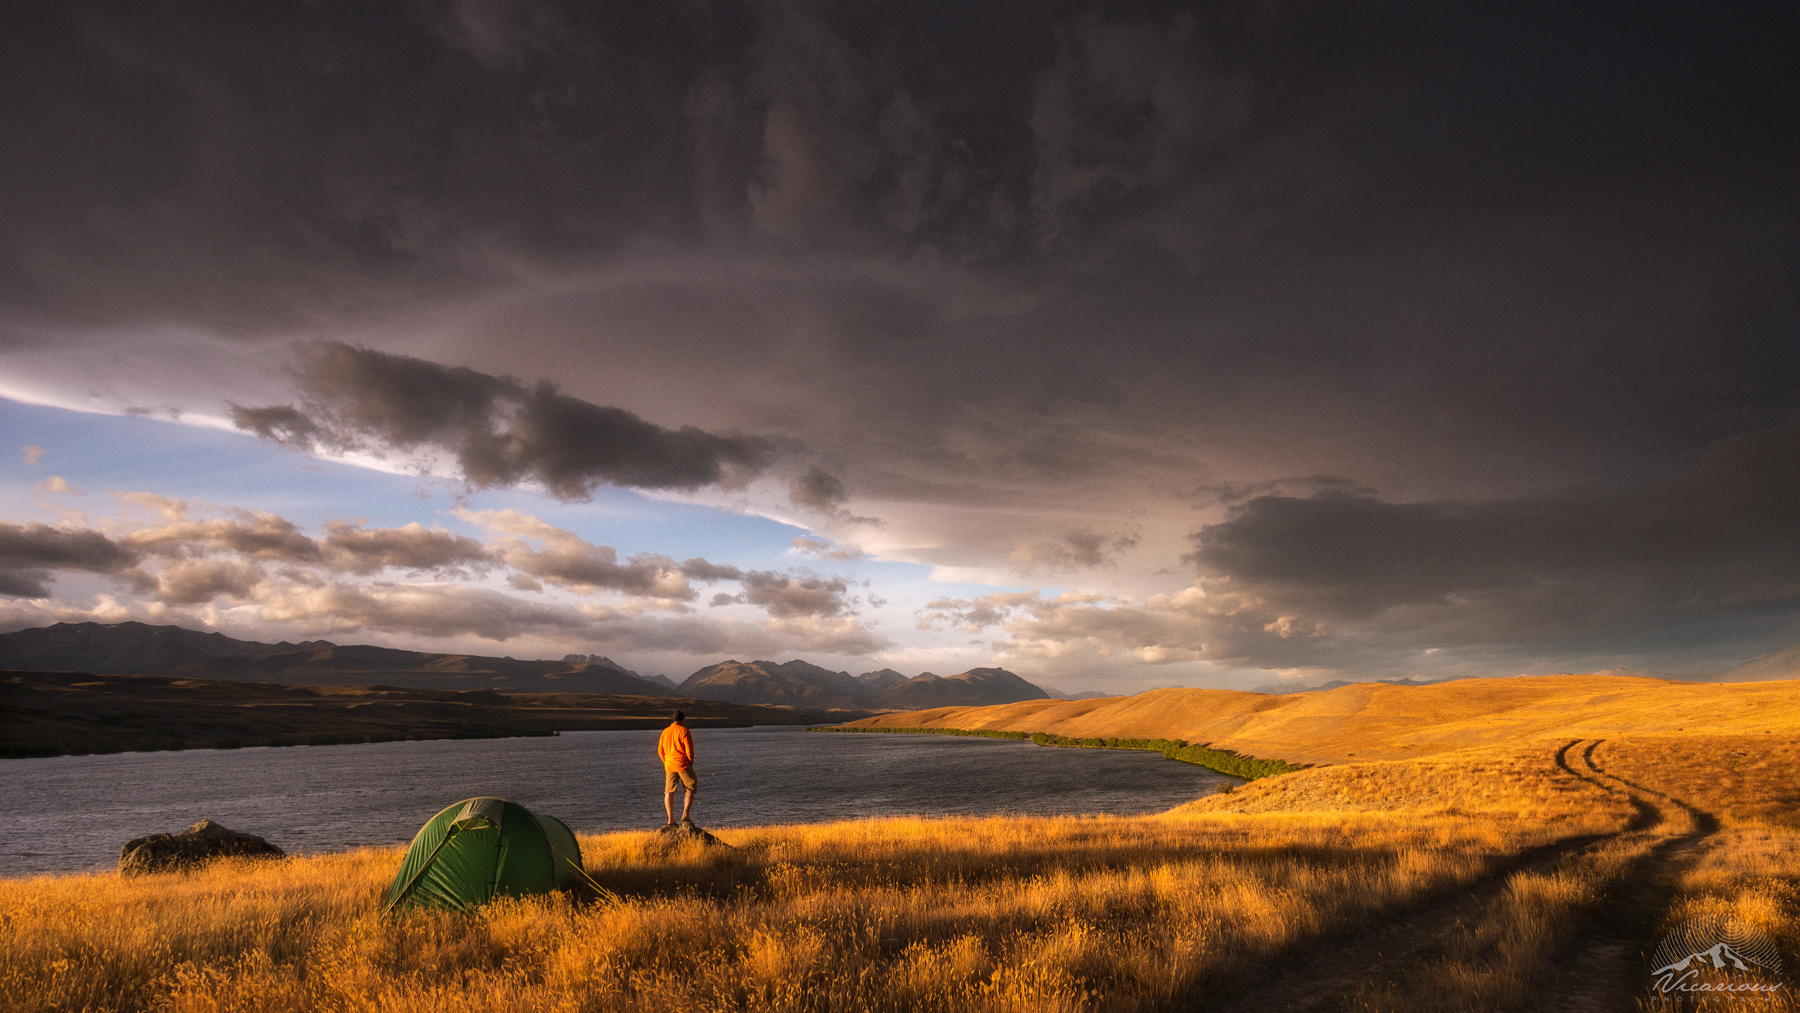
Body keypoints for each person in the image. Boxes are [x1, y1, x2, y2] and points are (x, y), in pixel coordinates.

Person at [657, 709, 697, 826]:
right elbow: (689, 750)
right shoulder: (684, 731)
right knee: (691, 787)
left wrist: (666, 761)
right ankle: (685, 815)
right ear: (683, 719)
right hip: (683, 764)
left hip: (669, 765)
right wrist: (690, 762)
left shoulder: (665, 731)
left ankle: (670, 819)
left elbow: (660, 751)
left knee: (669, 791)